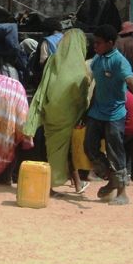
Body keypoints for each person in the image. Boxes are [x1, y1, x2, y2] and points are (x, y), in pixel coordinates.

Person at [84, 25, 133, 205]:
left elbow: (129, 79)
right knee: (89, 147)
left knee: (116, 152)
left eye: (99, 43)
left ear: (110, 43)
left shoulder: (119, 61)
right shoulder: (97, 59)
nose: (95, 46)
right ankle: (111, 177)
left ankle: (122, 193)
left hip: (114, 114)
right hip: (96, 112)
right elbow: (97, 85)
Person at [24, 28, 91, 193]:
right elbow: (81, 97)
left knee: (54, 151)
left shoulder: (52, 60)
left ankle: (73, 183)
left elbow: (44, 86)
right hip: (70, 116)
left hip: (50, 112)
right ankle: (50, 185)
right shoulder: (81, 69)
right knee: (66, 151)